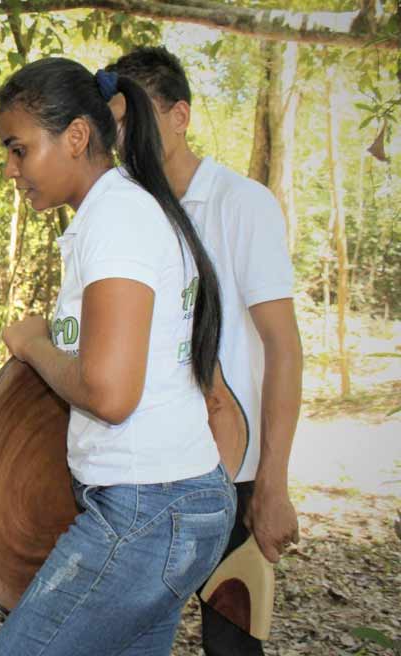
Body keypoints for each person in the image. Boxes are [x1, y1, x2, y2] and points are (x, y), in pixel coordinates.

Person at [0, 57, 236, 654]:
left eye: (18, 149)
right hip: (172, 500)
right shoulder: (125, 210)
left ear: (76, 137)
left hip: (146, 507)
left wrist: (34, 346)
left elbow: (110, 394)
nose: (9, 169)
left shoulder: (119, 219)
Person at [107, 46, 303, 655]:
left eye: (134, 116)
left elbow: (284, 349)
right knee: (132, 636)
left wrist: (271, 482)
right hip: (146, 472)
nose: (123, 135)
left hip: (230, 475)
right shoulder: (125, 208)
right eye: (115, 121)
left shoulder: (241, 205)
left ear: (180, 116)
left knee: (232, 642)